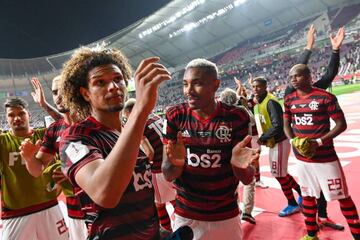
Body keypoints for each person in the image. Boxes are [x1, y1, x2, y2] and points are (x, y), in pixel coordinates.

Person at [58, 46, 172, 239]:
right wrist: (141, 110)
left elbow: (140, 193)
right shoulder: (75, 137)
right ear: (86, 94)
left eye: (118, 79)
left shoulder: (129, 129)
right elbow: (105, 194)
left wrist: (157, 231)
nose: (113, 87)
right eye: (100, 82)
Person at [162, 58, 259, 240]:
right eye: (185, 84)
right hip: (186, 215)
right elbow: (168, 174)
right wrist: (177, 164)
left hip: (226, 214)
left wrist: (238, 166)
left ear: (216, 85)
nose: (188, 91)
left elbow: (247, 178)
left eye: (197, 84)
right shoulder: (175, 116)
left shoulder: (236, 117)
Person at [284, 64, 360, 240]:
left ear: (310, 76)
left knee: (343, 197)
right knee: (308, 196)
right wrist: (293, 140)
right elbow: (287, 124)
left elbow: (342, 124)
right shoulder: (289, 100)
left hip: (325, 159)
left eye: (298, 75)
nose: (293, 79)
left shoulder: (325, 97)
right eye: (291, 77)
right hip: (302, 160)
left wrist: (318, 142)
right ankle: (311, 235)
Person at [286, 25, 346, 230]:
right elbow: (297, 71)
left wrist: (336, 50)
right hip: (302, 147)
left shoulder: (318, 92)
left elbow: (330, 73)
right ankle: (314, 221)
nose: (294, 79)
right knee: (312, 187)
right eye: (292, 77)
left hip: (318, 147)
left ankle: (322, 216)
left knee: (323, 184)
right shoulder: (290, 93)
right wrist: (308, 47)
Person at [20, 76, 87, 240]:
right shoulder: (54, 130)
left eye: (63, 91)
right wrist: (29, 158)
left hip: (107, 207)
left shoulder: (95, 119)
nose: (58, 96)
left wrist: (71, 172)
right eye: (55, 92)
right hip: (75, 211)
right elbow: (37, 170)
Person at [0, 97, 68, 240]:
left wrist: (45, 105)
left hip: (49, 206)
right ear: (6, 118)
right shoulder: (2, 141)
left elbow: (68, 125)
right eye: (11, 115)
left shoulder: (45, 135)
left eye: (21, 113)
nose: (17, 118)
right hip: (15, 213)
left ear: (28, 115)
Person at [252, 76, 302, 217]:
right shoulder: (260, 103)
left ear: (265, 87)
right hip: (274, 142)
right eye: (254, 87)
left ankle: (292, 204)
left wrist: (263, 137)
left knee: (279, 175)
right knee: (282, 172)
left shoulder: (270, 102)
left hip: (280, 141)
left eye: (258, 86)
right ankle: (302, 193)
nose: (255, 89)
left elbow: (278, 125)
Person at [124, 98, 177, 232]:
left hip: (158, 170)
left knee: (159, 204)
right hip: (171, 164)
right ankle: (186, 225)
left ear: (131, 112)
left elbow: (149, 152)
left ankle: (168, 231)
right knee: (175, 199)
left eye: (126, 117)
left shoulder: (139, 124)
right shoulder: (154, 116)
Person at [219, 87, 257, 224]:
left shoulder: (219, 113)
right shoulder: (242, 112)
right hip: (245, 150)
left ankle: (235, 208)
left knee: (230, 181)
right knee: (249, 182)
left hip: (226, 152)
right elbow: (252, 121)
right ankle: (247, 211)